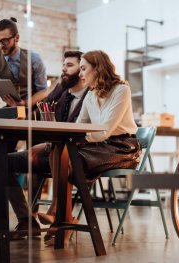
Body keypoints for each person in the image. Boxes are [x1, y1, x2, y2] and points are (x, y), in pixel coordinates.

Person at [43, 50, 142, 245]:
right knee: (58, 150)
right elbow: (80, 127)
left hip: (122, 148)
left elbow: (105, 130)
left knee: (67, 156)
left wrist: (77, 138)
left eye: (83, 69)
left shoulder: (121, 89)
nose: (80, 74)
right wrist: (70, 138)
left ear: (97, 69)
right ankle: (63, 216)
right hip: (99, 145)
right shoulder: (91, 94)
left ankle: (61, 215)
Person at [6, 51, 88, 239]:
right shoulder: (60, 89)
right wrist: (20, 107)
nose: (63, 69)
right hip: (50, 149)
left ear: (82, 71)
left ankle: (60, 215)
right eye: (63, 64)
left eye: (69, 65)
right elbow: (38, 110)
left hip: (74, 155)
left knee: (60, 154)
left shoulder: (91, 96)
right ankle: (26, 220)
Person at [0, 17, 47, 107]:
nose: (0, 46)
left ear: (17, 38)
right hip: (10, 109)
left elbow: (43, 91)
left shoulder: (34, 58)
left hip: (32, 110)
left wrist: (25, 104)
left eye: (5, 41)